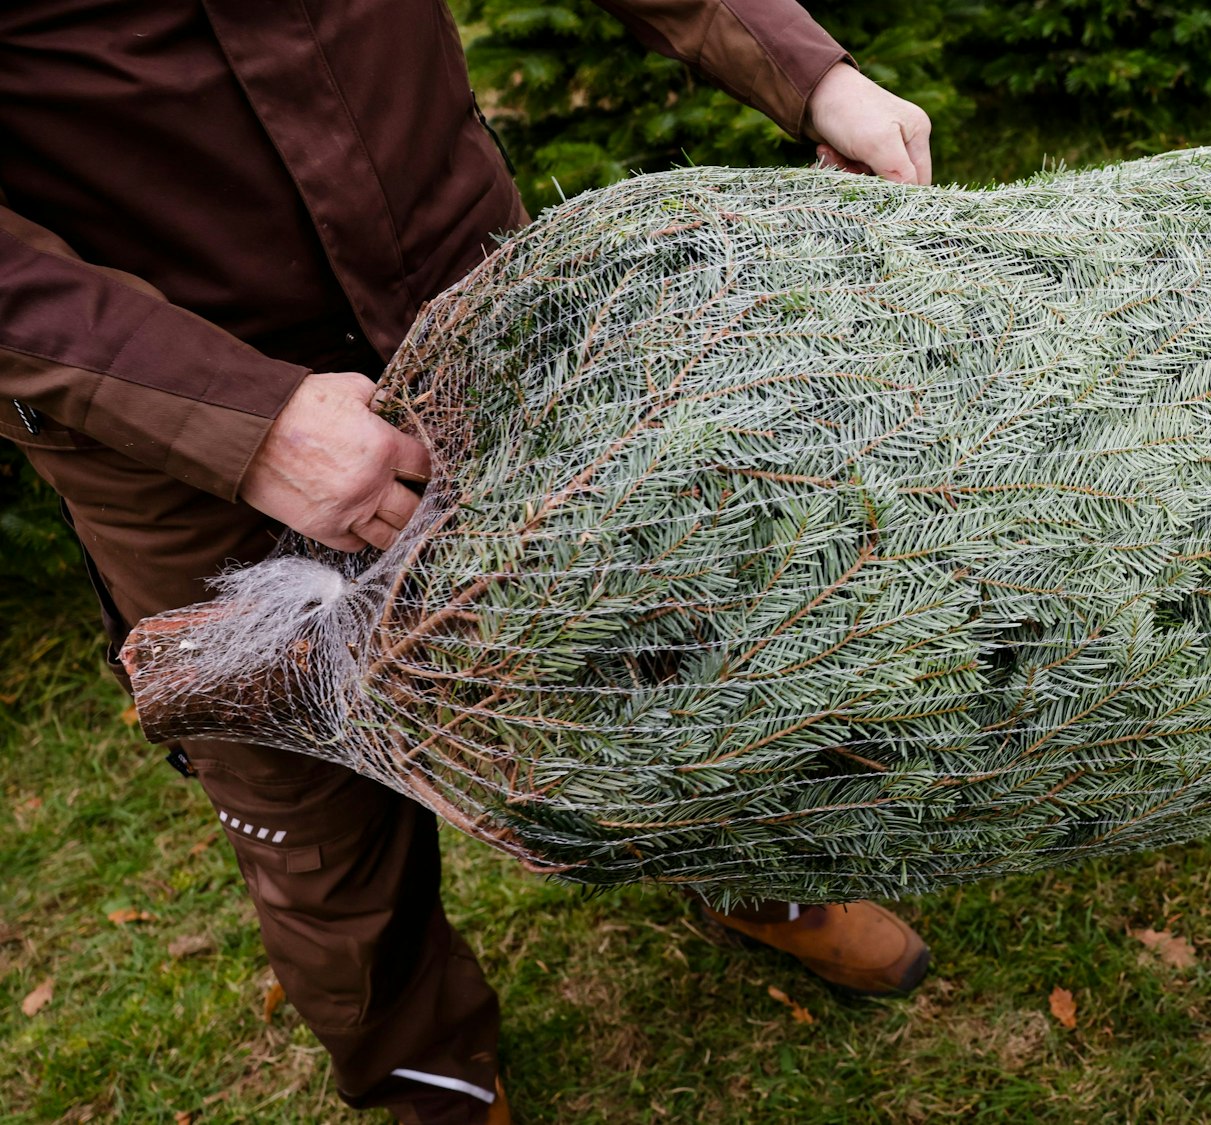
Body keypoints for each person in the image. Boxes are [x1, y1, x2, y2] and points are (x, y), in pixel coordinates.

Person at [0, 3, 934, 1122]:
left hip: (476, 296)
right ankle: (428, 1072)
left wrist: (806, 72)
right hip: (168, 432)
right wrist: (238, 420)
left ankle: (755, 881)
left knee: (649, 633)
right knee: (307, 796)